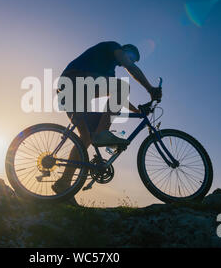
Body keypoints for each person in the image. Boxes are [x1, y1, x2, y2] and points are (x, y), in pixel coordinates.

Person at [52, 41, 162, 202]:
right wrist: (150, 89)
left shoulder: (109, 73)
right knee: (122, 87)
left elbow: (118, 97)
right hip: (74, 79)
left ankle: (63, 184)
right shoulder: (112, 45)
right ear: (123, 50)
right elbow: (128, 73)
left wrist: (137, 111)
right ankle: (102, 133)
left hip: (68, 92)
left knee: (85, 138)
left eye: (133, 60)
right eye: (129, 56)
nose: (130, 61)